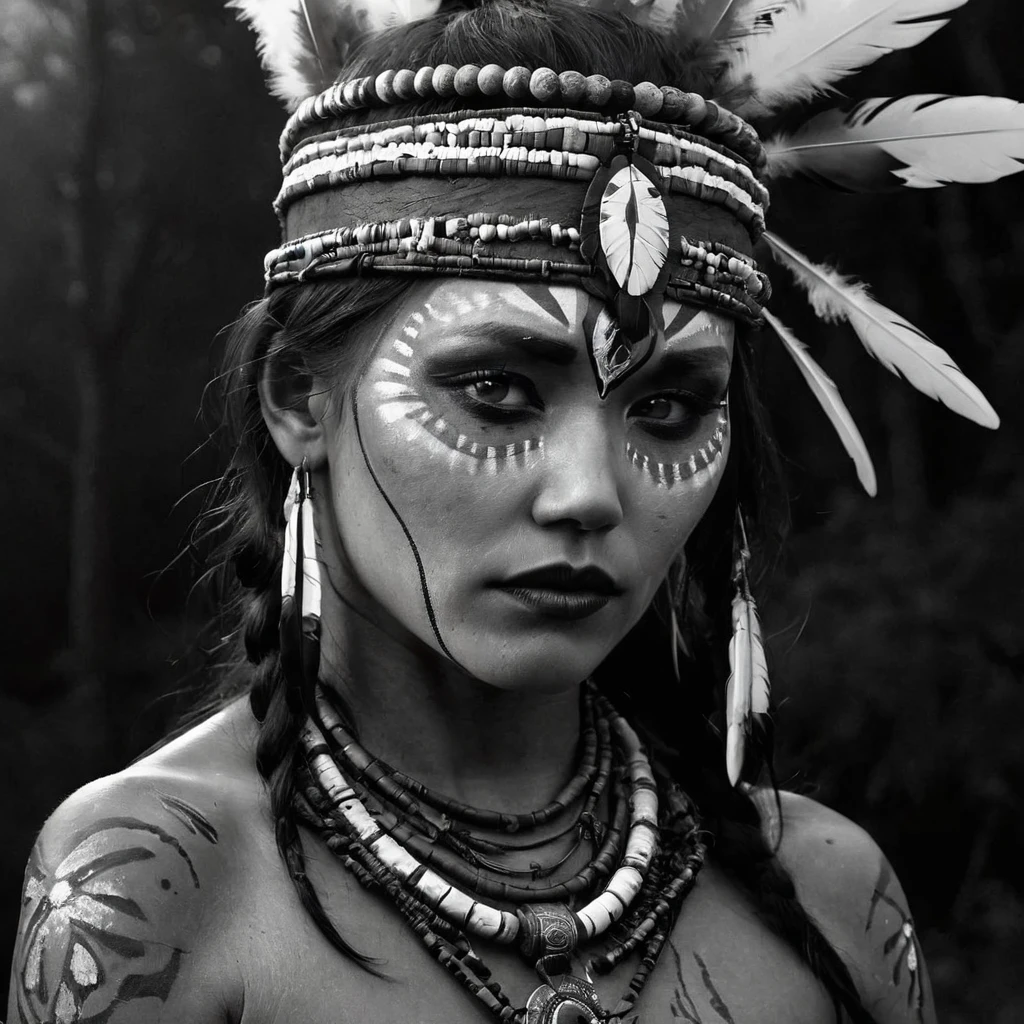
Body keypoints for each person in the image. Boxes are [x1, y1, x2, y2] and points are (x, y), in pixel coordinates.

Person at [8, 2, 1017, 1022]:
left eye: (667, 407)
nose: (588, 491)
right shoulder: (155, 889)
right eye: (495, 389)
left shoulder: (833, 896)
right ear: (299, 397)